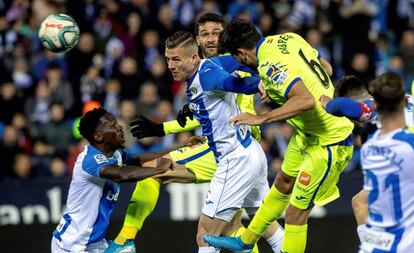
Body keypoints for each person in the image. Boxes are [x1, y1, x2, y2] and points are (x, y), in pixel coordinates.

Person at [105, 13, 283, 253]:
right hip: (244, 152)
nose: (211, 38)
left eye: (216, 32)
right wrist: (176, 120)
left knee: (204, 231)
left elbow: (235, 85)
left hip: (233, 151)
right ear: (197, 40)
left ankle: (125, 239)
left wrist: (262, 83)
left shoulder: (223, 67)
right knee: (250, 225)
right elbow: (210, 107)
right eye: (205, 33)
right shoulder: (212, 66)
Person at [203, 20, 354, 253]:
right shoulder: (289, 38)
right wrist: (279, 85)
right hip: (306, 133)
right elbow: (327, 69)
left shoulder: (268, 66)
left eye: (237, 58)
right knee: (282, 183)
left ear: (241, 53)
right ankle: (246, 240)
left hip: (329, 141)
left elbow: (304, 100)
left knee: (295, 213)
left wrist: (262, 118)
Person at [51, 108, 202, 253]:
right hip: (72, 244)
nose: (119, 128)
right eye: (112, 125)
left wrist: (181, 147)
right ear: (98, 136)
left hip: (95, 243)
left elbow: (138, 159)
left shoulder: (116, 154)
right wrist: (160, 171)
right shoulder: (90, 159)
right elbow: (121, 175)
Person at [319, 75, 414, 244]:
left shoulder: (378, 107)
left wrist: (326, 103)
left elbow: (343, 106)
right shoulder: (405, 98)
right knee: (361, 201)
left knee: (362, 203)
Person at [358, 72, 414, 252]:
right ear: (405, 102)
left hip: (372, 245)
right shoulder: (409, 146)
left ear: (375, 106)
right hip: (403, 245)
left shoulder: (368, 148)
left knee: (358, 202)